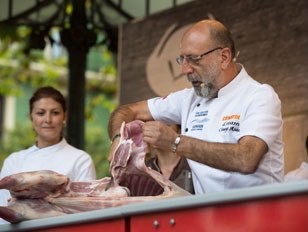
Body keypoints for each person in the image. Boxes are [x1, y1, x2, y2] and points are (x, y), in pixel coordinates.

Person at [108, 19, 284, 195]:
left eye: (194, 59)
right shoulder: (188, 99)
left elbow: (246, 159)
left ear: (224, 57)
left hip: (259, 213)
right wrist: (118, 138)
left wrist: (175, 142)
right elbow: (127, 111)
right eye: (182, 59)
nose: (185, 70)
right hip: (208, 215)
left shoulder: (259, 96)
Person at [0, 86, 96, 223]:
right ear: (31, 117)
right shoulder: (14, 160)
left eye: (55, 113)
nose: (48, 120)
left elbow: (87, 210)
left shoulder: (80, 159)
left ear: (65, 116)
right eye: (40, 113)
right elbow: (2, 216)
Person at [145, 124, 194, 194]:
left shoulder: (193, 166)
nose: (158, 131)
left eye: (166, 125)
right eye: (153, 125)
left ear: (179, 130)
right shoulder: (143, 169)